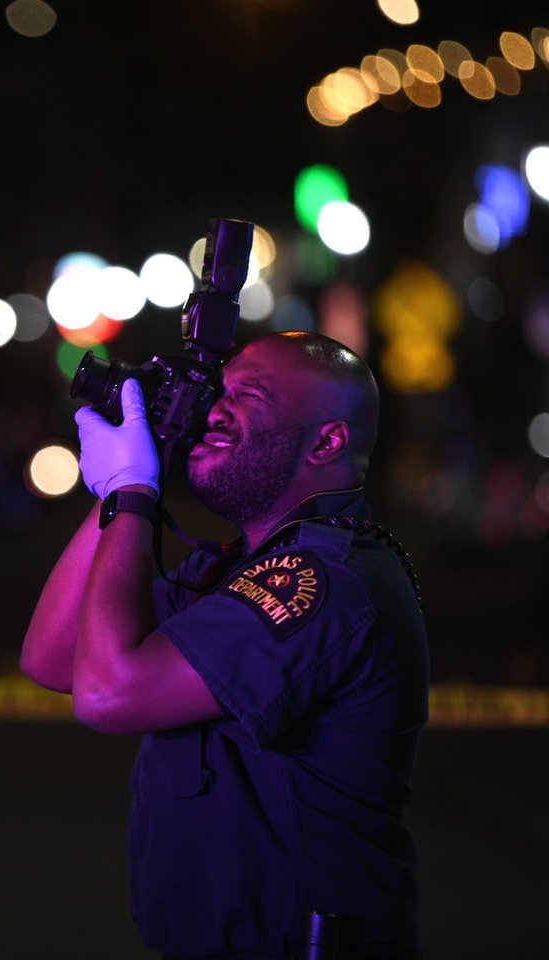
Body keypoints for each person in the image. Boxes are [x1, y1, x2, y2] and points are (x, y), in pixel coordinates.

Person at [21, 331, 428, 959]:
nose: (214, 409)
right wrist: (115, 492)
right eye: (220, 391)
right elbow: (53, 658)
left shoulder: (318, 583)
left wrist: (134, 494)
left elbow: (107, 697)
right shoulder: (243, 569)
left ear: (327, 441)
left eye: (249, 396)